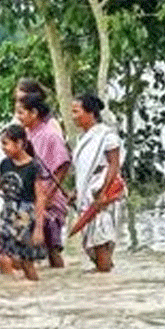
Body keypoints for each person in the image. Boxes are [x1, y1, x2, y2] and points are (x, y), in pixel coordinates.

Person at [16, 92, 72, 268]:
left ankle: (58, 278)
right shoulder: (24, 135)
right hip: (30, 197)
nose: (18, 117)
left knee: (52, 246)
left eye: (21, 113)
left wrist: (48, 195)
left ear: (34, 113)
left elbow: (63, 165)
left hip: (49, 199)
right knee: (24, 242)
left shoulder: (50, 134)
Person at [71, 94, 125, 272]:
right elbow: (84, 170)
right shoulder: (82, 138)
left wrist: (103, 191)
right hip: (86, 196)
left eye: (76, 111)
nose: (73, 116)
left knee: (101, 241)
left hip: (102, 197)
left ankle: (105, 282)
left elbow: (114, 165)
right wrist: (76, 191)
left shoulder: (107, 136)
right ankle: (104, 279)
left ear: (90, 113)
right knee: (92, 245)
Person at [0, 125, 47, 281]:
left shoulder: (33, 167)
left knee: (26, 261)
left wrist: (39, 229)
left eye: (6, 143)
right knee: (4, 256)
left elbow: (40, 198)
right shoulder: (5, 164)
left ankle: (25, 290)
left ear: (20, 143)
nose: (3, 148)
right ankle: (14, 291)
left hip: (25, 215)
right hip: (8, 213)